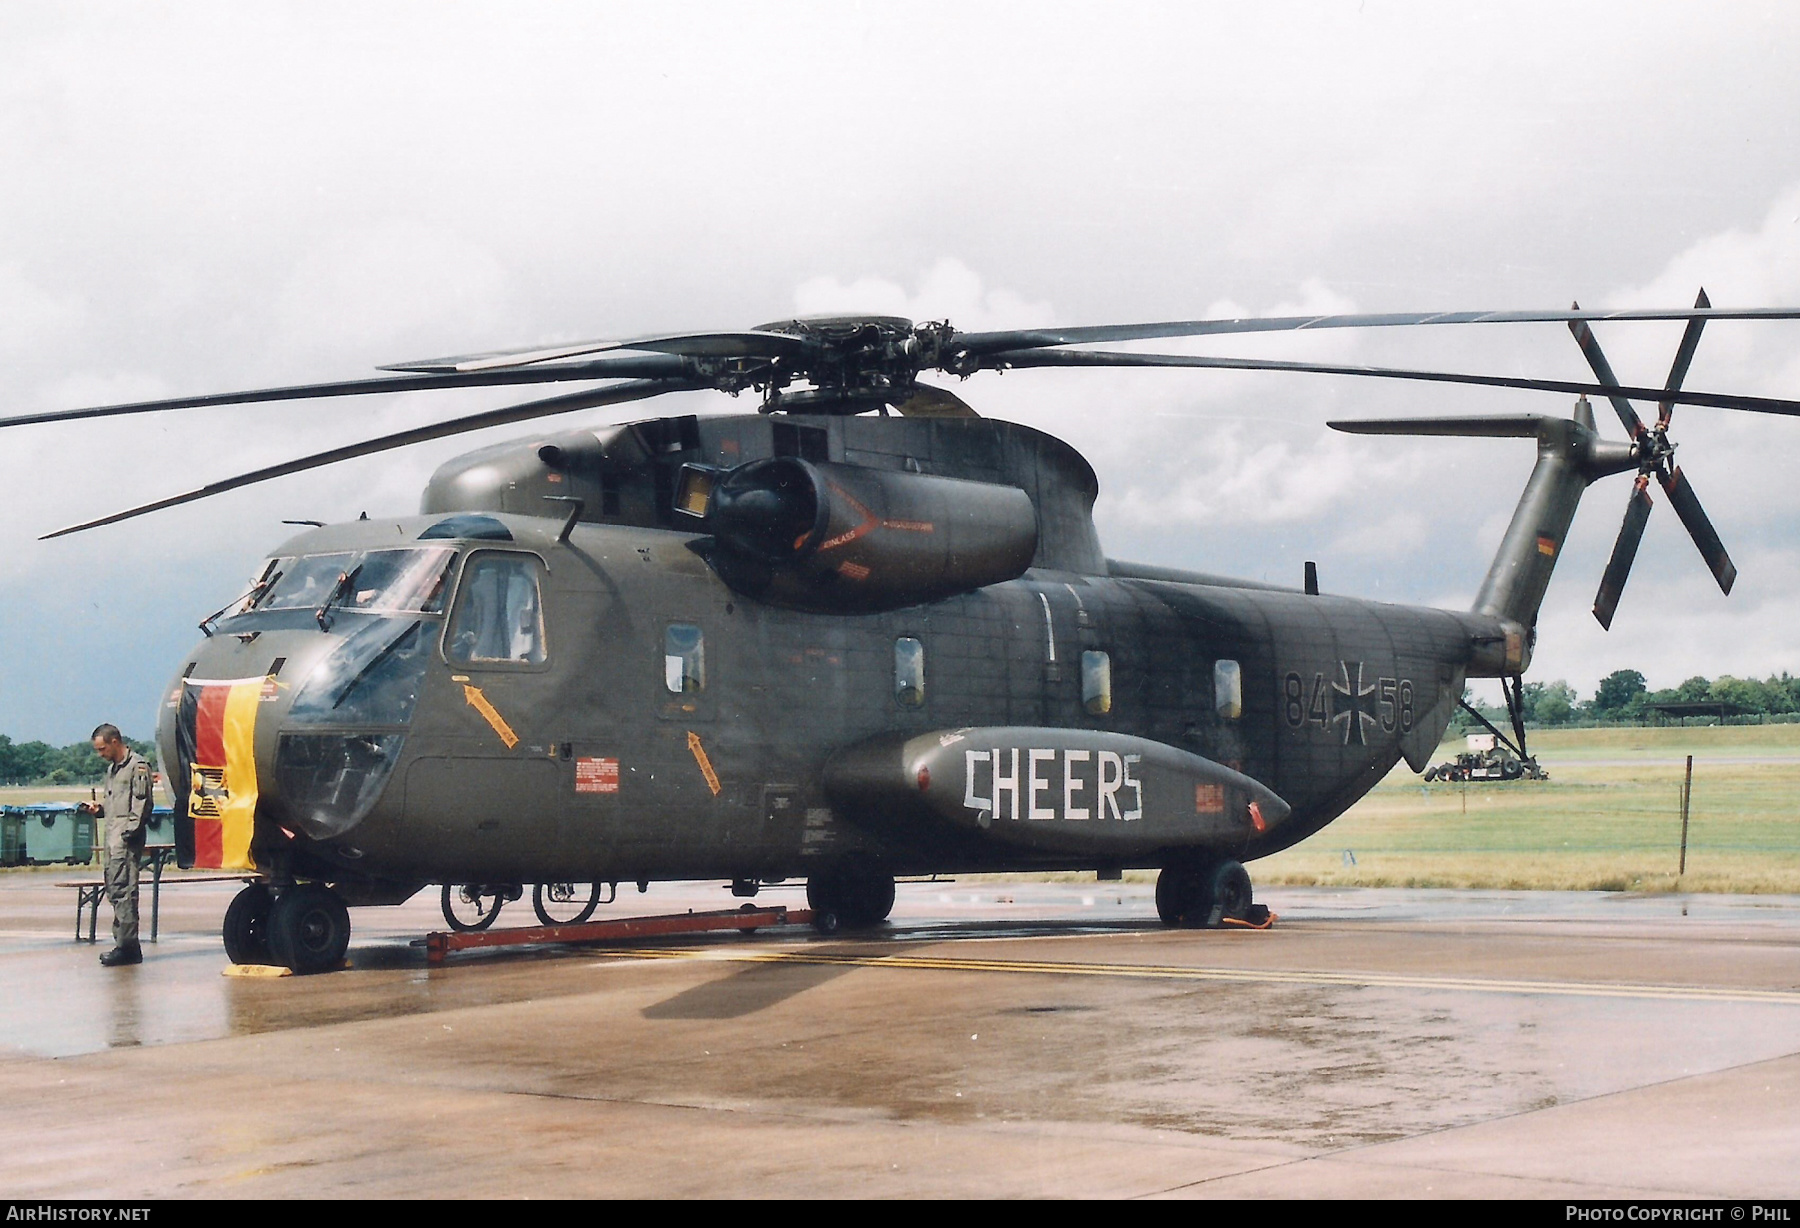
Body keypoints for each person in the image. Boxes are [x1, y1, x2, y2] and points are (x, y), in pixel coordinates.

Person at [79, 724, 154, 966]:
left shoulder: (137, 767)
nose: (100, 754)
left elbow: (141, 805)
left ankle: (128, 947)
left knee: (124, 893)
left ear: (114, 742)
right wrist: (99, 810)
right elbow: (116, 807)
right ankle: (123, 943)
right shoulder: (113, 770)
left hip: (124, 841)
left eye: (102, 749)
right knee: (114, 891)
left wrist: (128, 834)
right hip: (113, 839)